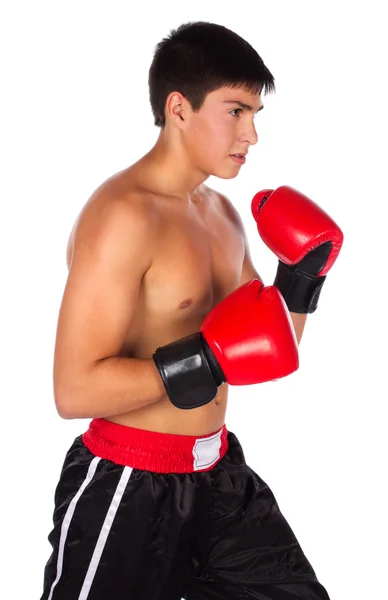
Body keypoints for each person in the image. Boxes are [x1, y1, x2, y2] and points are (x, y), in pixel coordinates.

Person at [40, 21, 343, 600]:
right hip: (129, 482)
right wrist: (203, 358)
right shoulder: (122, 216)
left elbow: (273, 345)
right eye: (236, 111)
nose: (252, 134)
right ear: (179, 108)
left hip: (219, 473)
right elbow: (72, 390)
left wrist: (300, 281)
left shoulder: (222, 216)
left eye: (256, 114)